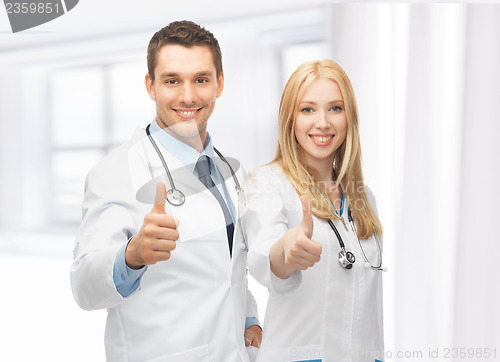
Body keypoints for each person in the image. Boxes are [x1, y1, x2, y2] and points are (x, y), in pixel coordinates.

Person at [70, 20, 261, 362]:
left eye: (201, 80)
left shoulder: (230, 172)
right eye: (172, 81)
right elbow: (84, 286)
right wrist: (132, 255)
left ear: (219, 84)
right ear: (150, 85)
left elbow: (230, 268)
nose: (187, 96)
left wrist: (249, 319)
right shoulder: (117, 171)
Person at [244, 59, 384, 362]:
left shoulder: (364, 198)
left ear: (350, 118)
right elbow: (267, 257)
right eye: (307, 109)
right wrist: (287, 251)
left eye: (335, 108)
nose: (323, 122)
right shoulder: (267, 182)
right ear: (290, 119)